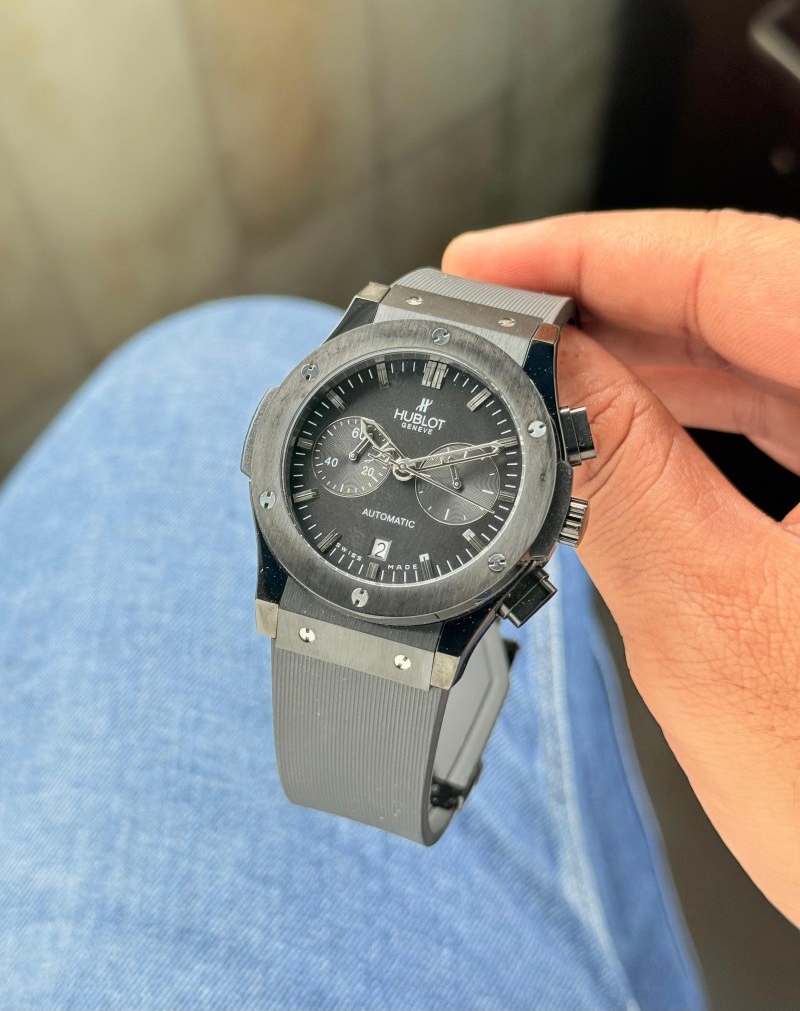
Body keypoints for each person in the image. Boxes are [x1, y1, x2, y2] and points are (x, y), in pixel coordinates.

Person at [0, 207, 795, 1011]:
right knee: (230, 345)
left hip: (434, 611)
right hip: (312, 574)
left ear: (553, 518)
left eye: (426, 469)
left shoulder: (526, 491)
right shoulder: (324, 430)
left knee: (217, 345)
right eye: (386, 458)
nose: (404, 470)